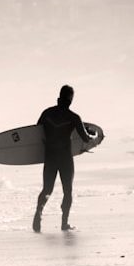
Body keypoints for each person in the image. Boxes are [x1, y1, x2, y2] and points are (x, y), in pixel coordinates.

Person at [33, 85, 96, 232]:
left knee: (47, 189)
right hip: (65, 158)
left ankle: (38, 214)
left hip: (50, 156)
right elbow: (86, 139)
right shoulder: (73, 117)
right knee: (67, 191)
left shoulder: (47, 113)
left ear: (60, 96)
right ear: (71, 99)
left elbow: (35, 133)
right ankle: (64, 223)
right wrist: (93, 134)